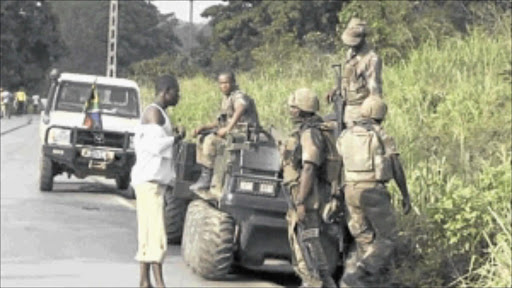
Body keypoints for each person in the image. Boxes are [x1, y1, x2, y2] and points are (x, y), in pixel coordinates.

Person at [336, 96, 411, 287]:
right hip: (372, 191)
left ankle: (363, 281)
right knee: (388, 238)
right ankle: (360, 272)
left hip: (350, 190)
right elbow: (395, 166)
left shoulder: (346, 134)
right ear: (381, 115)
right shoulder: (381, 135)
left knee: (364, 238)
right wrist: (405, 195)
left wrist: (336, 192)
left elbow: (337, 164)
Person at [130, 75, 183, 288]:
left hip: (148, 181)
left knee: (147, 232)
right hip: (150, 182)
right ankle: (159, 283)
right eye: (176, 92)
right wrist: (176, 138)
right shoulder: (154, 113)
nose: (178, 96)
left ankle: (144, 281)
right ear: (166, 91)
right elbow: (155, 146)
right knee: (157, 234)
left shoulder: (158, 113)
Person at [281, 88, 337, 288]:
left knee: (305, 252)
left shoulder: (310, 133)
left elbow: (309, 167)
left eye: (294, 107)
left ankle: (313, 284)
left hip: (307, 197)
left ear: (301, 110)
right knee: (312, 247)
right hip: (307, 195)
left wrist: (301, 202)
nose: (291, 110)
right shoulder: (310, 129)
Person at [190, 71, 260, 191]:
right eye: (221, 83)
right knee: (202, 137)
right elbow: (220, 121)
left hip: (245, 134)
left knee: (210, 141)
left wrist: (228, 128)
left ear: (233, 82)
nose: (223, 86)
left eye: (226, 83)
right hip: (234, 133)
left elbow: (240, 108)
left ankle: (208, 178)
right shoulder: (226, 99)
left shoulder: (238, 95)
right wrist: (204, 127)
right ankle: (206, 173)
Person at [326, 18, 383, 128]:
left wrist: (372, 119)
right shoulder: (350, 53)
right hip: (345, 108)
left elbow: (374, 91)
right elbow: (348, 78)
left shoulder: (372, 59)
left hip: (361, 112)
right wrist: (335, 89)